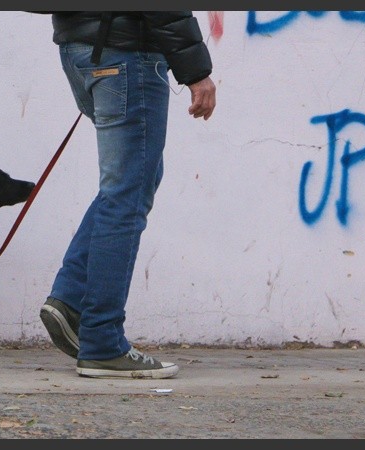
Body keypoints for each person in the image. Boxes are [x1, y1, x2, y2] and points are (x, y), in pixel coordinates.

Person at [38, 12, 217, 379]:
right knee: (126, 192)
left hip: (79, 48)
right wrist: (196, 71)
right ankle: (102, 342)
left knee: (131, 181)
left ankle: (71, 298)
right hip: (126, 51)